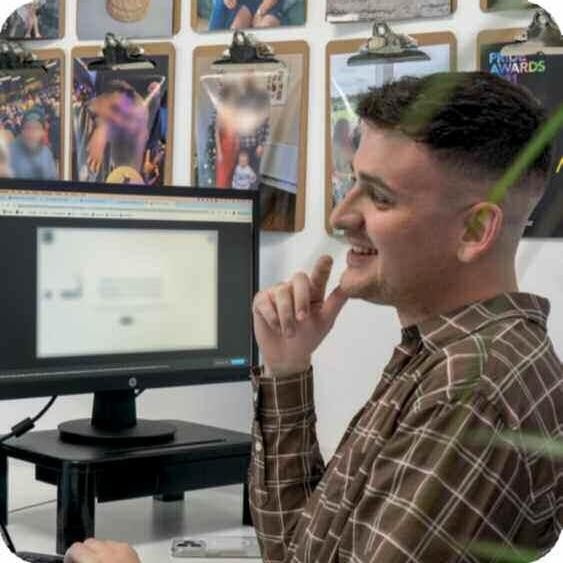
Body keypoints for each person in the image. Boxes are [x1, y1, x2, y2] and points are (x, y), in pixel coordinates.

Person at [65, 72, 563, 563]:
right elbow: (298, 551)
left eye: (379, 196)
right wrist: (287, 368)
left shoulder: (469, 389)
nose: (340, 216)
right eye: (352, 182)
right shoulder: (449, 354)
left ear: (475, 230)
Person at [9, 108, 57, 180]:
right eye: (28, 127)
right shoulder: (9, 153)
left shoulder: (46, 154)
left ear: (42, 132)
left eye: (36, 128)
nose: (32, 132)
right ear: (22, 131)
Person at [208, 0, 285, 30]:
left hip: (270, 7)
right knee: (236, 29)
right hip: (248, 4)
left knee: (265, 28)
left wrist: (259, 12)